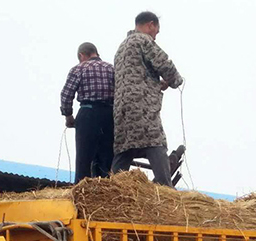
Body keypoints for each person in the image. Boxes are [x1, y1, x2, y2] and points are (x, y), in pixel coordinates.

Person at [112, 11, 183, 186]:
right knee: (155, 142)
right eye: (156, 31)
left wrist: (157, 84)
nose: (155, 37)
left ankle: (112, 187)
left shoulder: (121, 48)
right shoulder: (143, 40)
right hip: (141, 104)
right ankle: (165, 189)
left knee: (124, 147)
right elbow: (164, 64)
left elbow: (136, 75)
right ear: (150, 24)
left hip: (121, 108)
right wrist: (175, 81)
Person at [60, 42, 115, 183]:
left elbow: (66, 95)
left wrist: (68, 116)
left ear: (81, 55)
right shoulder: (111, 69)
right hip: (109, 115)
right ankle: (105, 189)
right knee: (106, 159)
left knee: (84, 158)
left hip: (87, 114)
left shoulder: (78, 69)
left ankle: (82, 188)